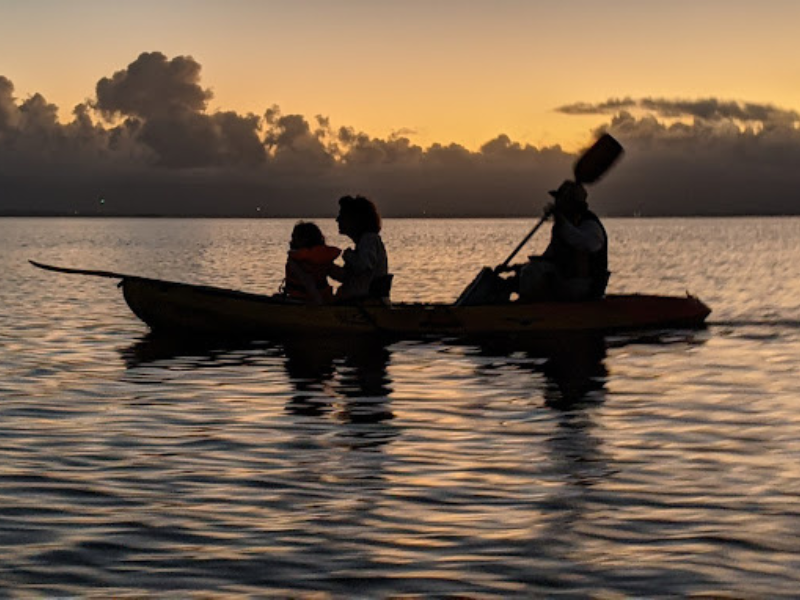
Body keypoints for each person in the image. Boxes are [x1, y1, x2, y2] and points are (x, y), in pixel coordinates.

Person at [504, 180, 608, 302]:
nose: (557, 204)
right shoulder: (562, 227)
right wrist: (515, 268)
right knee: (527, 271)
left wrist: (560, 220)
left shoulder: (590, 224)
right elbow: (550, 256)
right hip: (565, 282)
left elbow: (585, 244)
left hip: (585, 288)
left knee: (534, 272)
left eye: (561, 201)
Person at [329, 195, 390, 302]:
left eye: (342, 215)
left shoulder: (369, 239)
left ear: (355, 219)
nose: (337, 219)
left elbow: (364, 265)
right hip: (359, 303)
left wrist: (349, 256)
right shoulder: (364, 243)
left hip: (365, 304)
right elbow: (349, 276)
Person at [283, 221, 341, 304]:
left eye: (293, 237)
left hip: (303, 301)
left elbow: (307, 282)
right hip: (324, 299)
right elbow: (338, 274)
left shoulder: (296, 261)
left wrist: (319, 304)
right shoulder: (322, 258)